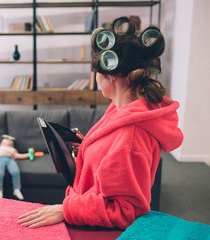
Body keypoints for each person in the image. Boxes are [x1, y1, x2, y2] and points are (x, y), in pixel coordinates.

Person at [17, 16, 183, 229]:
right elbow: (115, 160)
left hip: (96, 229)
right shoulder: (121, 109)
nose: (95, 78)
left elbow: (127, 210)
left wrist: (65, 210)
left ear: (112, 76)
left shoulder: (132, 134)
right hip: (86, 218)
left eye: (97, 72)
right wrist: (88, 148)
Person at [0, 134, 34, 200]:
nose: (6, 144)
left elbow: (19, 156)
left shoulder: (11, 149)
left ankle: (16, 189)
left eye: (9, 143)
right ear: (0, 143)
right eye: (4, 143)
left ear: (12, 145)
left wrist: (30, 153)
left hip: (10, 160)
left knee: (15, 172)